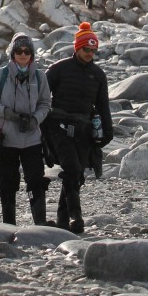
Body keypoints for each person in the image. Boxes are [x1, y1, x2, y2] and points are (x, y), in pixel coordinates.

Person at [43, 21, 113, 233]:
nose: (91, 53)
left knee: (77, 174)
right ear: (77, 47)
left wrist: (107, 132)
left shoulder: (99, 75)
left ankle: (63, 223)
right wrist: (41, 129)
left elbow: (103, 105)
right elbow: (42, 99)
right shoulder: (58, 69)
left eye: (94, 50)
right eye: (87, 49)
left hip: (84, 129)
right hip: (58, 126)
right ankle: (77, 217)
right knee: (72, 169)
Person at [0, 32, 52, 225]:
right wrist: (5, 112)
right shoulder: (0, 75)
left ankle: (40, 225)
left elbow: (46, 103)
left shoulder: (40, 77)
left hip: (32, 139)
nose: (23, 54)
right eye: (19, 50)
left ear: (32, 54)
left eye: (27, 51)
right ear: (12, 53)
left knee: (36, 181)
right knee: (7, 183)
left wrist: (35, 119)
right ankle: (9, 225)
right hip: (6, 137)